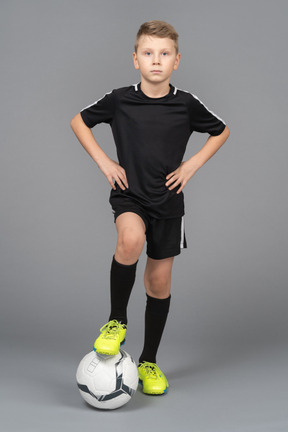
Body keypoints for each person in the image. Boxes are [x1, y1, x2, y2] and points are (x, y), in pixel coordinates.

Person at [70, 20, 230, 395]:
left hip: (168, 203)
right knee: (130, 239)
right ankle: (115, 322)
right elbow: (79, 121)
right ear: (135, 58)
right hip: (130, 196)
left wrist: (190, 166)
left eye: (164, 54)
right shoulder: (120, 99)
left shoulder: (186, 104)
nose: (155, 60)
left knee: (158, 284)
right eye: (148, 53)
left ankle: (149, 362)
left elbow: (221, 130)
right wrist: (105, 163)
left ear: (176, 61)